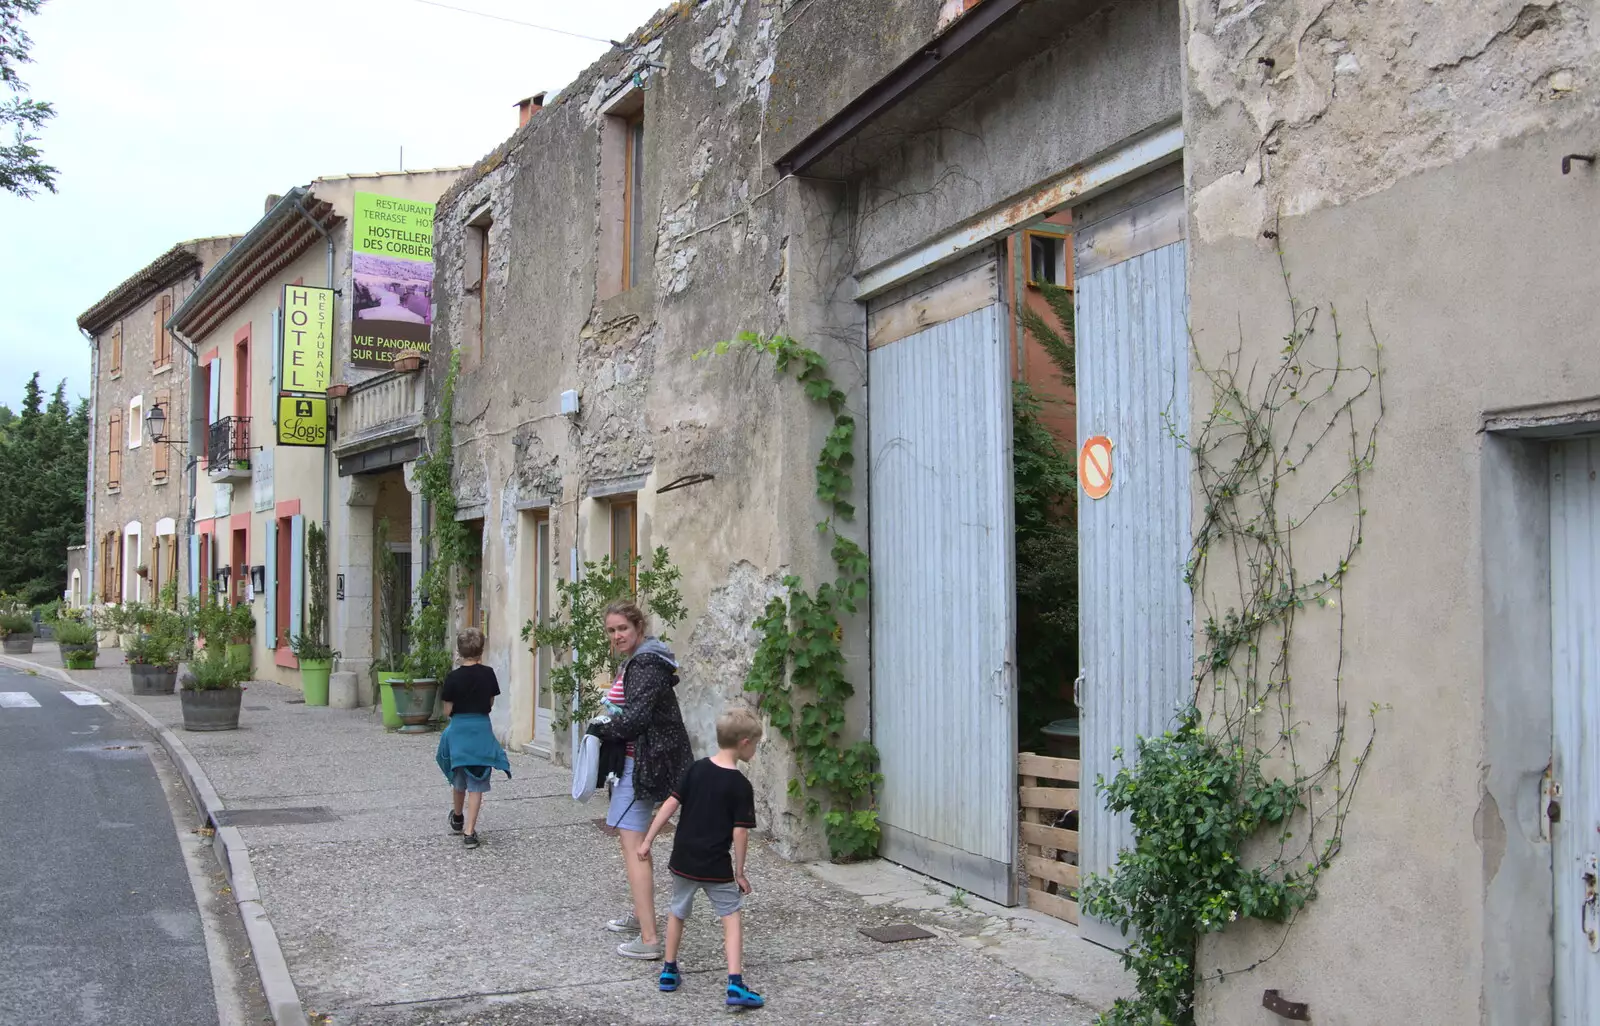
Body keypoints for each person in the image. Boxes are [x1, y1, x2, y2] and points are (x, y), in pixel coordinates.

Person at [585, 600, 694, 959]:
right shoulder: (642, 659)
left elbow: (635, 720)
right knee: (634, 845)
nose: (617, 636)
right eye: (612, 630)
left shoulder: (646, 663)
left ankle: (649, 940)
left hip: (643, 764)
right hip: (642, 760)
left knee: (635, 849)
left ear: (638, 628)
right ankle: (640, 915)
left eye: (623, 629)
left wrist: (600, 728)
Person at [639, 706, 766, 1009]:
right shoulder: (740, 786)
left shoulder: (696, 769)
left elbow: (669, 805)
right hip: (715, 866)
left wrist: (647, 841)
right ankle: (735, 983)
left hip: (682, 859)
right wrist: (740, 872)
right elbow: (740, 833)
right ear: (744, 743)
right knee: (731, 916)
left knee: (677, 911)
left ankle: (669, 971)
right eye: (756, 745)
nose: (755, 750)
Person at [434, 627, 510, 849]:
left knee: (459, 777)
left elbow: (447, 711)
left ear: (459, 650)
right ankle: (469, 831)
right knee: (477, 781)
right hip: (480, 729)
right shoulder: (488, 674)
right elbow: (490, 704)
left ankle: (457, 817)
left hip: (459, 731)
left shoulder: (452, 677)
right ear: (481, 650)